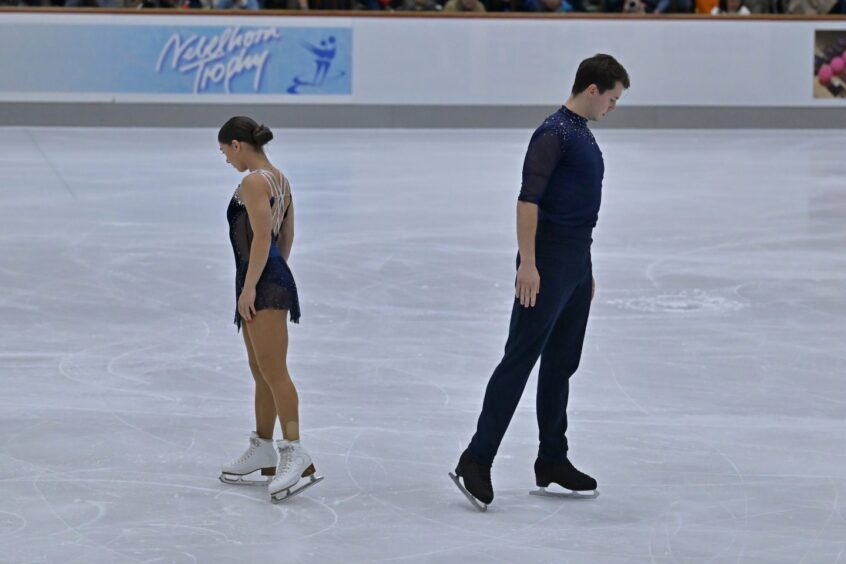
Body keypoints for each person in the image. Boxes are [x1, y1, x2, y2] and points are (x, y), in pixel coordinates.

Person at [450, 54, 630, 511]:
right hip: (545, 264)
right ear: (592, 89)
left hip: (574, 265)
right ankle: (477, 457)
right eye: (611, 98)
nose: (612, 107)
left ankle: (552, 458)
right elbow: (528, 200)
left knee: (560, 365)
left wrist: (584, 271)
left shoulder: (582, 134)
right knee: (520, 359)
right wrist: (528, 263)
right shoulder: (554, 134)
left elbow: (580, 211)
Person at [216, 116, 322, 503]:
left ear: (238, 144)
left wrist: (252, 286)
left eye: (225, 151)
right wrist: (276, 271)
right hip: (268, 276)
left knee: (274, 371)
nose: (226, 159)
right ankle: (263, 448)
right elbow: (286, 235)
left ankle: (295, 451)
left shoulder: (254, 181)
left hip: (261, 283)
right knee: (260, 369)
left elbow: (262, 236)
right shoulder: (280, 178)